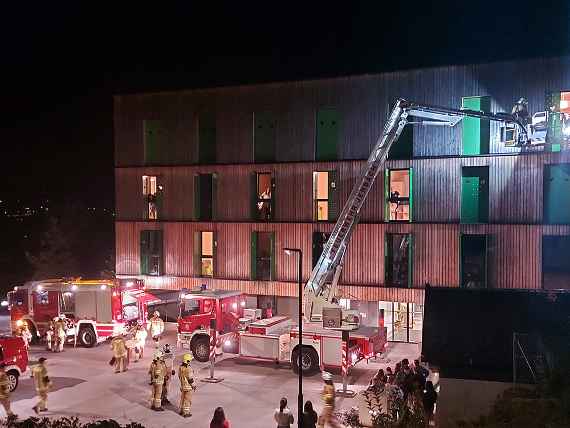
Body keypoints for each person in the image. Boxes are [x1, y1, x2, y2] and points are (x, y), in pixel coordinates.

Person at [178, 353, 195, 417]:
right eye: (190, 360)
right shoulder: (189, 369)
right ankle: (186, 412)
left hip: (183, 386)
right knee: (187, 400)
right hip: (188, 387)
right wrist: (193, 385)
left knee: (182, 399)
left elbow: (179, 376)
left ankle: (181, 410)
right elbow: (190, 379)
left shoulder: (180, 367)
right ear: (188, 361)